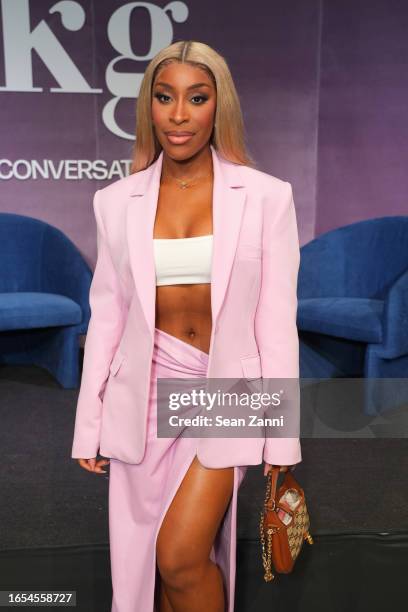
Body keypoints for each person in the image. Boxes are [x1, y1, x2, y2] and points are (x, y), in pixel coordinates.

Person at [71, 40, 302, 612]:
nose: (179, 115)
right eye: (165, 97)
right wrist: (89, 422)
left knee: (178, 553)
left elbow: (275, 321)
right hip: (145, 390)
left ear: (217, 105)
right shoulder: (114, 201)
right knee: (157, 563)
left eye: (196, 98)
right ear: (148, 106)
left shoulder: (267, 198)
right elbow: (107, 319)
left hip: (229, 389)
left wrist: (283, 437)